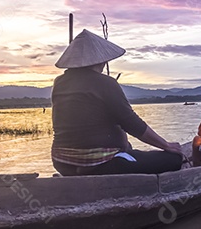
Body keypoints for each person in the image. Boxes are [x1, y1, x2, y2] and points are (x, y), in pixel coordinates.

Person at [51, 29, 183, 176]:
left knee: (129, 149)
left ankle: (87, 167)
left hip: (62, 162)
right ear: (100, 60)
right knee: (174, 159)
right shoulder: (105, 82)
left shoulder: (59, 83)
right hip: (102, 163)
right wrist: (166, 145)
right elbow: (131, 122)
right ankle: (91, 168)